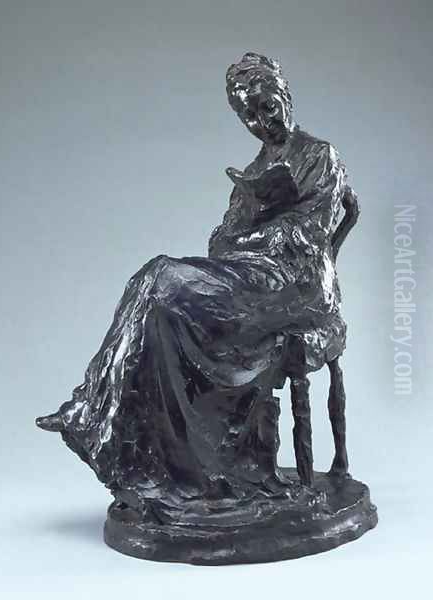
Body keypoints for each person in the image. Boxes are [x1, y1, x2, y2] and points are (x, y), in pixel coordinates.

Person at [37, 53, 359, 510]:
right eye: (249, 116)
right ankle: (164, 460)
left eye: (267, 107)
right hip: (248, 279)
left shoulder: (320, 156)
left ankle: (91, 407)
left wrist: (257, 227)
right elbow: (220, 242)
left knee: (159, 275)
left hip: (298, 287)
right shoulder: (254, 172)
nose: (262, 122)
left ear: (284, 95)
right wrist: (253, 221)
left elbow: (308, 235)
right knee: (158, 299)